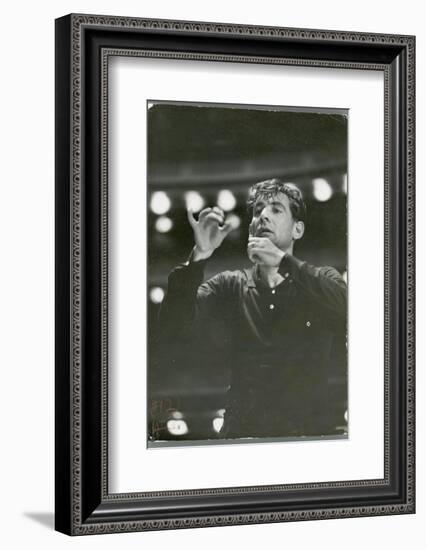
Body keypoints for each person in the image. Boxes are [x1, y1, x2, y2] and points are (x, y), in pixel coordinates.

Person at [159, 178, 347, 440]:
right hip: (241, 436)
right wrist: (199, 257)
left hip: (309, 438)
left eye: (276, 209)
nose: (263, 217)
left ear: (298, 230)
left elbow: (349, 311)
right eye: (258, 211)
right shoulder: (230, 284)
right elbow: (172, 327)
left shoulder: (322, 279)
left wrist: (284, 262)